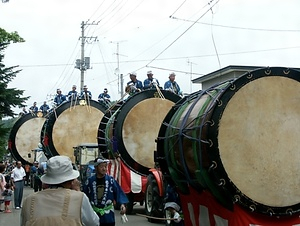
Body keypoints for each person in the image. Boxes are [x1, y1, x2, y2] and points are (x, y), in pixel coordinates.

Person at [21, 155, 99, 226]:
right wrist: (78, 191)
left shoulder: (28, 200)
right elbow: (94, 222)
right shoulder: (79, 198)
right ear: (71, 181)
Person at [84, 157, 129, 226]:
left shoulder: (111, 180)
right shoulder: (89, 181)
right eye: (101, 166)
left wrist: (122, 205)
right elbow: (84, 196)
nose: (104, 168)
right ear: (96, 167)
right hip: (93, 213)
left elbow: (119, 193)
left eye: (105, 166)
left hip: (108, 215)